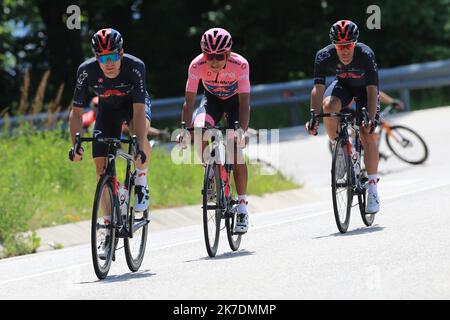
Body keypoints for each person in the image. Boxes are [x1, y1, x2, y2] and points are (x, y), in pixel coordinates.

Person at [68, 28, 151, 215]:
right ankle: (106, 225)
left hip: (133, 106)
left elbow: (139, 110)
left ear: (121, 52)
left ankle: (141, 182)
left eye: (112, 57)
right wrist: (76, 145)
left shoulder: (136, 67)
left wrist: (138, 143)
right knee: (100, 170)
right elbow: (76, 112)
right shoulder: (85, 71)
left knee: (140, 135)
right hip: (107, 111)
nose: (109, 63)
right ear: (96, 57)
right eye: (102, 58)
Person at [179, 27, 251, 233]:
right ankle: (210, 174)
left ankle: (243, 206)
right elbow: (189, 101)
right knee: (199, 128)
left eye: (219, 56)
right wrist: (185, 130)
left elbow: (245, 102)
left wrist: (242, 132)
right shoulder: (196, 65)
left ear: (228, 53)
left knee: (234, 150)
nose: (214, 60)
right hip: (212, 101)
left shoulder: (241, 64)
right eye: (209, 55)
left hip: (236, 104)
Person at [305, 20, 381, 214]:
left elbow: (372, 89)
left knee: (367, 131)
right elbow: (318, 88)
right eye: (340, 47)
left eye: (348, 46)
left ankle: (372, 187)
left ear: (355, 43)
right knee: (329, 106)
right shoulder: (323, 55)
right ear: (334, 45)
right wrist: (313, 117)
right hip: (343, 87)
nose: (345, 50)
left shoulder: (365, 54)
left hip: (365, 91)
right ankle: (339, 149)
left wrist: (371, 118)